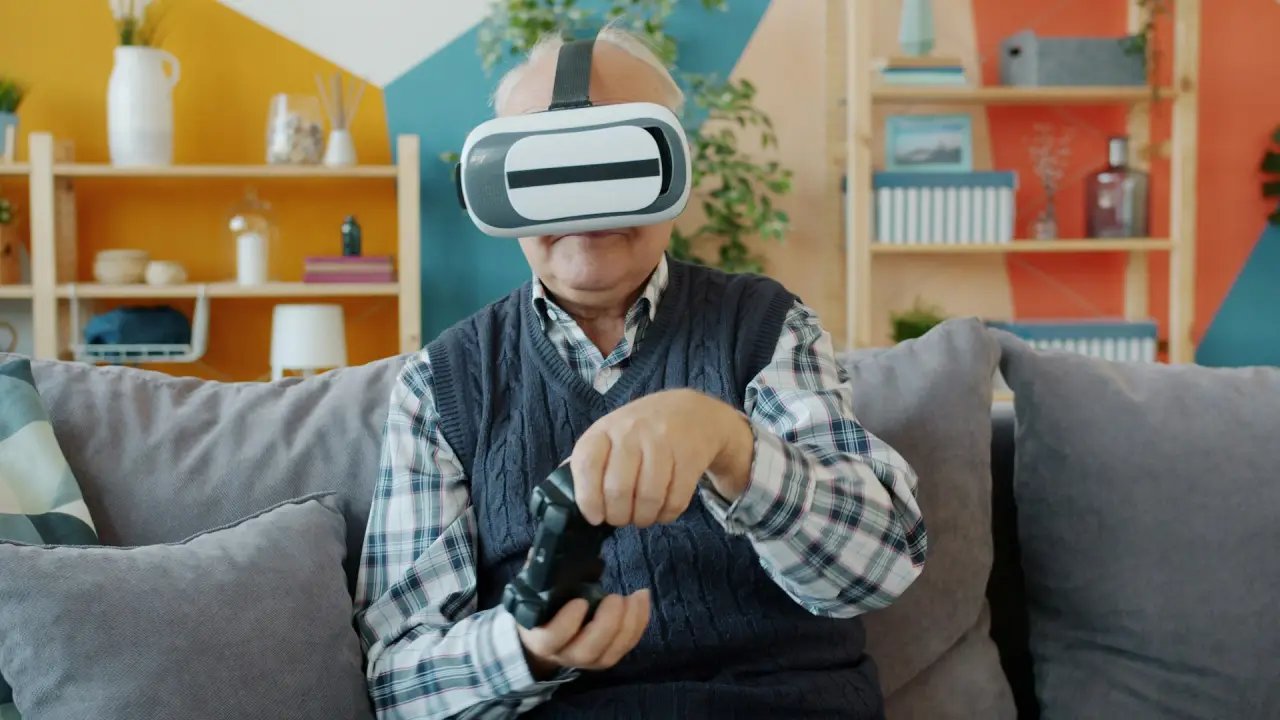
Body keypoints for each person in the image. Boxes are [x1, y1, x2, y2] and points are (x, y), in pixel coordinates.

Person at [354, 26, 927, 720]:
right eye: (547, 170)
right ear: (500, 186)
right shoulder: (440, 387)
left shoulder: (766, 327)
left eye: (614, 161)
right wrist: (525, 648)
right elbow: (397, 684)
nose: (585, 201)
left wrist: (731, 444)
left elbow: (882, 565)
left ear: (671, 168)